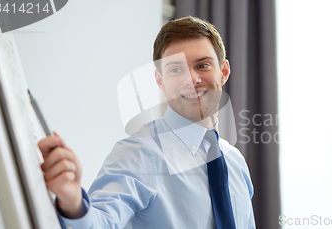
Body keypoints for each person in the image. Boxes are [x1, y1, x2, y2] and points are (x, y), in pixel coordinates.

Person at [38, 16, 256, 228]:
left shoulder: (236, 162)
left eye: (203, 65)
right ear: (160, 81)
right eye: (176, 69)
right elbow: (100, 222)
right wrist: (73, 203)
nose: (191, 80)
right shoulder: (138, 153)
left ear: (224, 72)